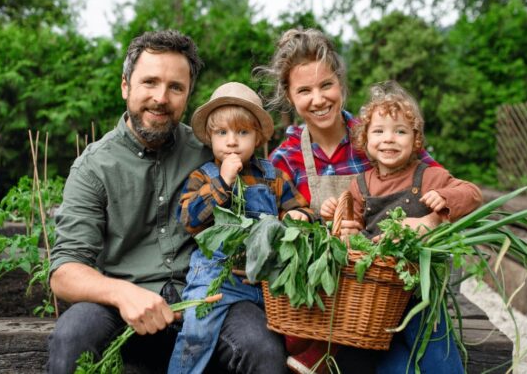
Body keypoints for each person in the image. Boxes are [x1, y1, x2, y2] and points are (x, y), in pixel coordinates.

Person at [48, 31, 287, 374]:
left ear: (188, 96)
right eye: (149, 82)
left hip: (210, 299)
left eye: (175, 87)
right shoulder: (94, 167)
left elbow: (267, 197)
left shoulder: (213, 154)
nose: (161, 98)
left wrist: (257, 257)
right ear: (125, 86)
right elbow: (64, 273)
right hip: (122, 308)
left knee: (260, 345)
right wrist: (122, 294)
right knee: (73, 334)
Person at [259, 28, 441, 373]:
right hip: (329, 315)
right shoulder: (284, 160)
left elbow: (442, 184)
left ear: (340, 83)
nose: (318, 99)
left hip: (398, 292)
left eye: (326, 85)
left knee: (432, 362)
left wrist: (430, 220)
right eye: (304, 90)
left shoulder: (377, 134)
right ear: (289, 96)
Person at [322, 80, 482, 374]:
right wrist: (343, 225)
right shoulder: (360, 186)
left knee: (440, 362)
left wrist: (443, 201)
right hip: (376, 299)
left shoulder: (428, 176)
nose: (389, 139)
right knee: (395, 367)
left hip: (419, 295)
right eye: (379, 131)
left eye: (400, 131)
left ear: (415, 139)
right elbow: (352, 229)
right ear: (365, 140)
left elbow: (472, 193)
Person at [168, 82, 315, 374]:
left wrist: (301, 217)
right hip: (214, 279)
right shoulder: (204, 176)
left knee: (277, 342)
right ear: (210, 138)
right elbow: (189, 220)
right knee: (195, 335)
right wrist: (222, 184)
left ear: (258, 137)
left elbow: (300, 208)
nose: (232, 142)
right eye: (222, 133)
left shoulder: (273, 176)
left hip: (261, 285)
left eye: (242, 132)